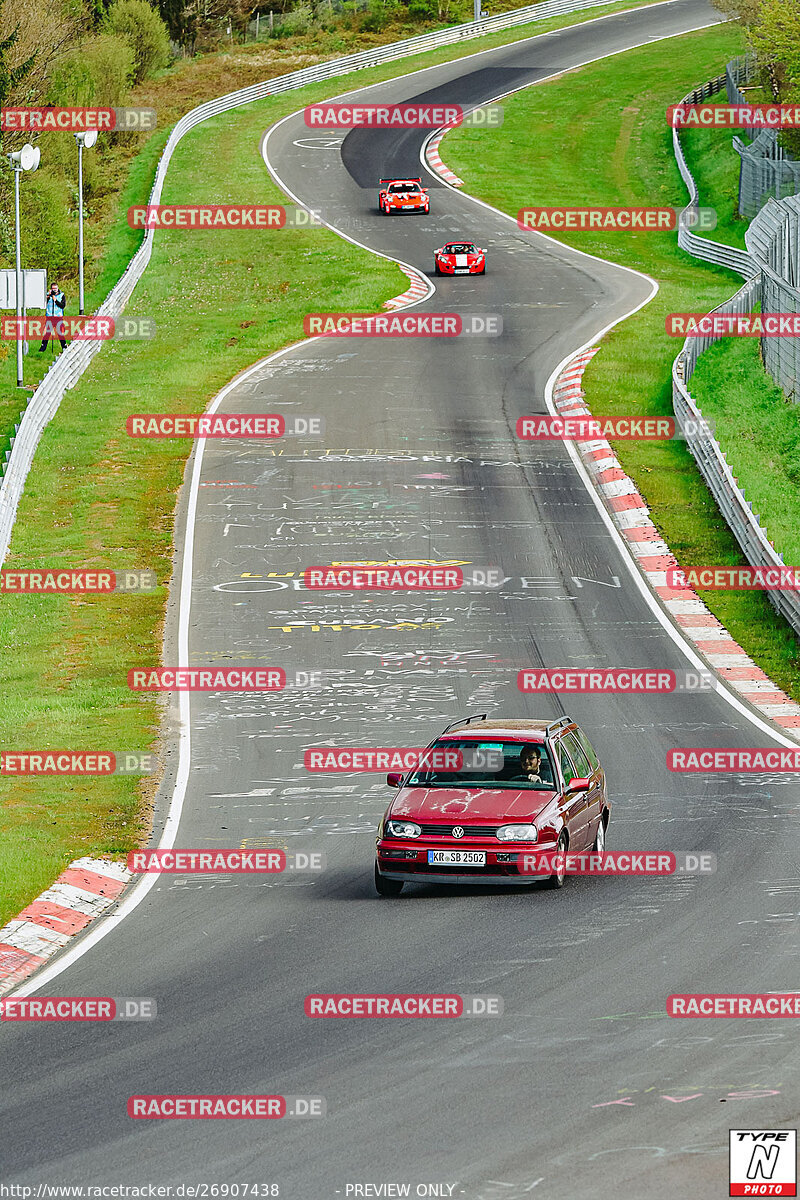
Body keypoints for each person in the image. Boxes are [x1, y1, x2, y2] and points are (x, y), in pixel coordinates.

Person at [39, 283, 67, 353]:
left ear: (58, 289)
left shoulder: (61, 295)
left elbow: (62, 305)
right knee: (47, 333)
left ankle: (64, 346)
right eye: (53, 289)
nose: (54, 290)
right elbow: (43, 303)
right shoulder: (48, 296)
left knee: (60, 333)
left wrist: (55, 300)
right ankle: (43, 348)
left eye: (55, 289)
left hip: (58, 317)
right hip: (50, 317)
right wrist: (48, 296)